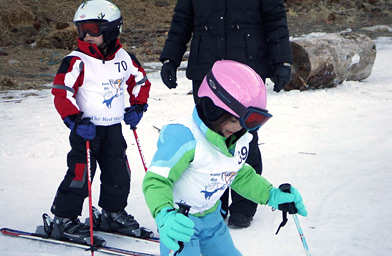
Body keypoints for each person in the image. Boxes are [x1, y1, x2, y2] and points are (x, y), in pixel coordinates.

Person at [143, 60, 307, 255]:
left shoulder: (236, 139)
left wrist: (271, 195)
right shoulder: (184, 137)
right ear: (214, 109)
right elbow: (156, 180)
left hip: (212, 219)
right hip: (181, 223)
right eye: (233, 120)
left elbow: (238, 174)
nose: (238, 128)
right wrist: (164, 215)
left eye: (244, 124)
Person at [159, 0, 293, 228]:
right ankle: (212, 203)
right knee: (207, 137)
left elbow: (275, 18)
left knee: (243, 136)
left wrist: (282, 60)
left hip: (246, 72)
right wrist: (171, 58)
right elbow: (183, 19)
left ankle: (243, 205)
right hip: (207, 71)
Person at [48, 0, 151, 245]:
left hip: (113, 128)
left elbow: (140, 81)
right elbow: (62, 91)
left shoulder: (125, 58)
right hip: (86, 130)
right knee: (81, 173)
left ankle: (112, 214)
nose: (86, 35)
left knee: (119, 173)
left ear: (112, 29)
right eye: (81, 29)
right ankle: (64, 219)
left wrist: (138, 107)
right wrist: (73, 120)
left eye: (92, 29)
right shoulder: (76, 61)